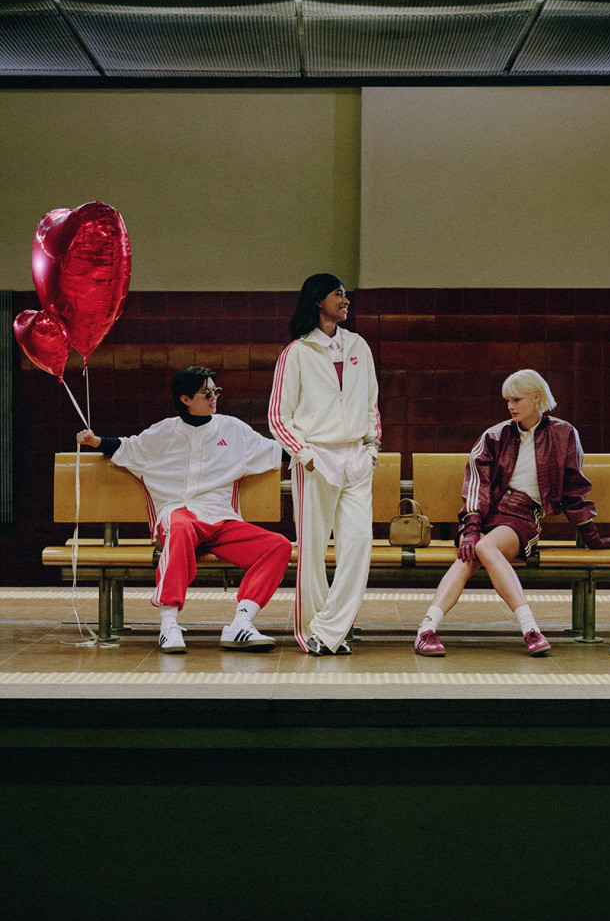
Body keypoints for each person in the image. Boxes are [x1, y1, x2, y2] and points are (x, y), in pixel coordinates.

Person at [76, 366, 292, 654]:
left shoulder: (234, 429)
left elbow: (276, 451)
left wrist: (314, 449)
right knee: (180, 527)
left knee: (278, 545)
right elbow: (127, 447)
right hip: (179, 515)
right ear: (186, 399)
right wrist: (95, 442)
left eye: (216, 391)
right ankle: (168, 624)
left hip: (220, 519)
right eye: (207, 393)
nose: (214, 397)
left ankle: (241, 623)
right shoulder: (162, 432)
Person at [414, 369, 610, 658]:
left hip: (521, 516)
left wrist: (592, 537)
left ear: (536, 397)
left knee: (483, 547)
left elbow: (574, 489)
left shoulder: (564, 434)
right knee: (471, 552)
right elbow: (476, 485)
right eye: (507, 400)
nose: (510, 406)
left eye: (516, 399)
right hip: (485, 514)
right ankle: (429, 630)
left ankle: (526, 627)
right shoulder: (494, 435)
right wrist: (471, 529)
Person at [269, 273, 381, 655]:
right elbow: (278, 417)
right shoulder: (296, 352)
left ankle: (330, 630)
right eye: (339, 294)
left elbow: (371, 404)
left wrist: (372, 448)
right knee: (312, 553)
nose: (346, 300)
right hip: (315, 460)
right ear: (319, 301)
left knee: (358, 545)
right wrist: (305, 455)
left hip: (357, 460)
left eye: (345, 294)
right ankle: (310, 632)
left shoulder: (358, 346)